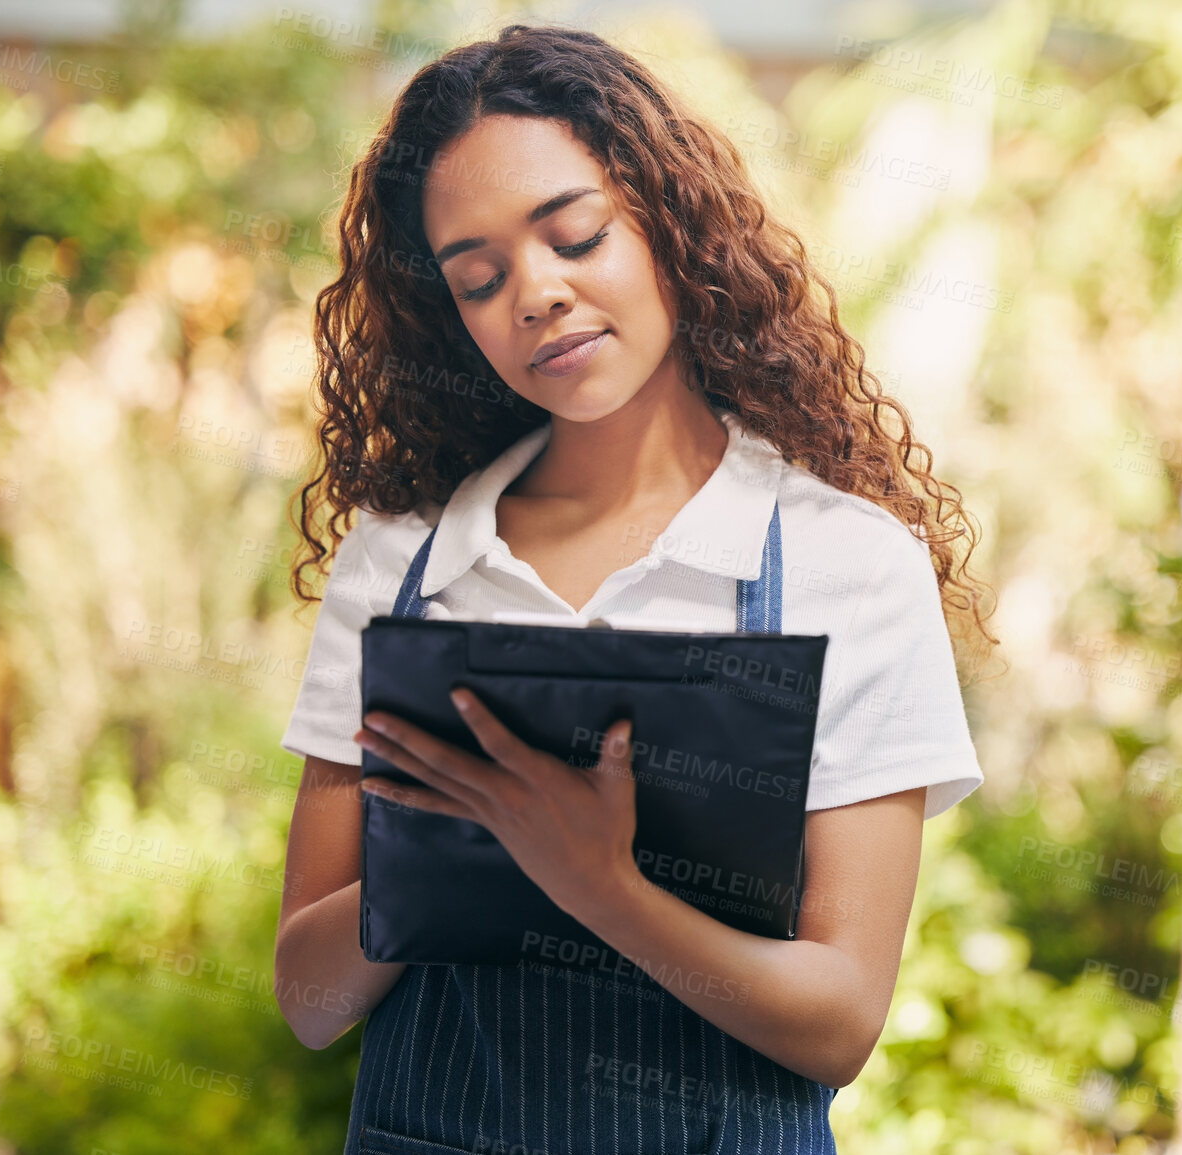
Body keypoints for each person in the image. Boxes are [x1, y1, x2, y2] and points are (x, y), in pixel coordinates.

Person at [274, 22, 996, 1155]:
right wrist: (456, 854)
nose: (537, 294)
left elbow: (842, 1021)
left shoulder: (843, 566)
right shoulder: (400, 565)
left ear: (669, 222)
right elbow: (309, 1005)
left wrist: (596, 882)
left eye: (577, 236)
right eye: (479, 278)